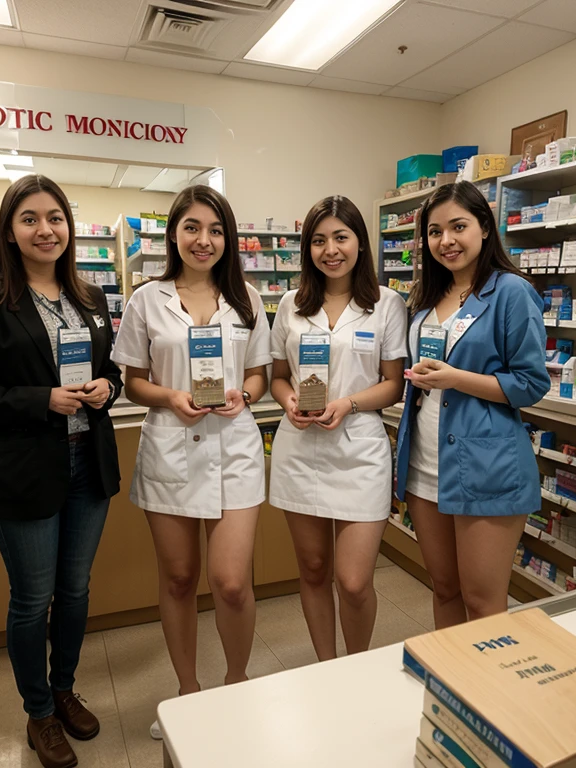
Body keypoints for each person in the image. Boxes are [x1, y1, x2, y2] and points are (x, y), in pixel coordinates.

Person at [0, 174, 122, 768]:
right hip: (25, 469)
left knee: (74, 591)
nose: (45, 229)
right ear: (10, 229)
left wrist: (107, 387)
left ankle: (65, 689)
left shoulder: (92, 298)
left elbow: (113, 374)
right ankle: (39, 711)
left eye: (55, 217)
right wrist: (39, 399)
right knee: (32, 599)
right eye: (30, 218)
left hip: (86, 464)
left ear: (69, 226)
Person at [111, 185, 271, 739]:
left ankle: (235, 682)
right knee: (179, 578)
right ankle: (187, 693)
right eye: (193, 228)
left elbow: (261, 374)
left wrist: (244, 396)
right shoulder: (146, 300)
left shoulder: (247, 298)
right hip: (171, 446)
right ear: (173, 234)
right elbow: (132, 380)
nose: (205, 241)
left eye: (216, 230)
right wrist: (169, 397)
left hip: (234, 447)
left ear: (228, 238)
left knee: (230, 582)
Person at [396, 181, 549, 630]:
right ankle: (450, 692)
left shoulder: (510, 292)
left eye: (458, 226)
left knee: (482, 603)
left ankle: (488, 697)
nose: (446, 241)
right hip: (425, 462)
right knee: (443, 589)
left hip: (486, 465)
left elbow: (530, 382)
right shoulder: (425, 300)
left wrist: (455, 379)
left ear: (485, 227)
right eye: (435, 231)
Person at [269, 195, 407, 661]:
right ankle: (326, 667)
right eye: (319, 240)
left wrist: (348, 403)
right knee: (311, 570)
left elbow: (393, 386)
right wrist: (289, 401)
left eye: (341, 237)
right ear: (307, 248)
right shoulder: (291, 304)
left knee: (353, 581)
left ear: (360, 243)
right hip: (300, 447)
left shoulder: (386, 304)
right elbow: (276, 376)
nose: (331, 249)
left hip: (360, 451)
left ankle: (356, 665)